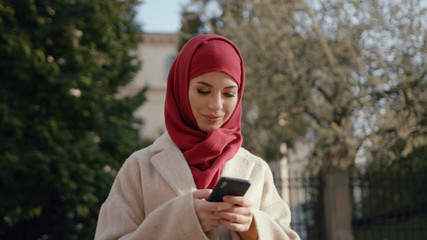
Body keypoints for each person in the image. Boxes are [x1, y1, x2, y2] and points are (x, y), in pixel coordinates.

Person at [95, 34, 300, 240]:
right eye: (203, 91)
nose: (216, 106)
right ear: (181, 89)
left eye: (229, 94)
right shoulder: (140, 167)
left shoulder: (256, 170)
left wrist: (254, 227)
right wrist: (182, 222)